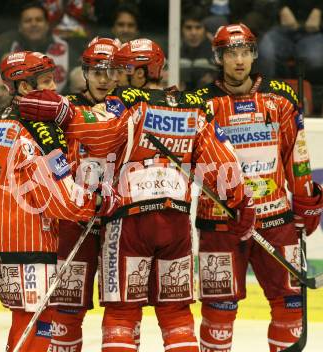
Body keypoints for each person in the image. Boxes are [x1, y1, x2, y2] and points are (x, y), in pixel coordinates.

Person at [18, 38, 256, 352]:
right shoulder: (192, 106)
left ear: (141, 74)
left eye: (122, 70)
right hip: (176, 222)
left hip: (128, 220)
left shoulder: (127, 103)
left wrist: (66, 116)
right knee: (176, 313)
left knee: (122, 312)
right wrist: (241, 201)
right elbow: (223, 163)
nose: (114, 78)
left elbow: (100, 138)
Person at [0, 50, 116, 352]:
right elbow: (59, 197)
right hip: (24, 237)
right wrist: (96, 201)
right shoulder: (38, 128)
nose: (53, 90)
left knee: (33, 316)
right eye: (46, 82)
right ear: (24, 87)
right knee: (34, 318)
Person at [194, 24, 323, 352]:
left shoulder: (280, 97)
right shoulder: (202, 104)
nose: (238, 60)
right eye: (230, 54)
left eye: (244, 52)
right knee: (219, 312)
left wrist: (307, 199)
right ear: (218, 58)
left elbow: (297, 154)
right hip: (222, 222)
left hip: (275, 218)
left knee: (290, 306)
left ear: (253, 55)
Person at [47, 37, 121, 352]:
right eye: (97, 71)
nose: (104, 79)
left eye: (111, 71)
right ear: (85, 72)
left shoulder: (133, 107)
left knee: (121, 309)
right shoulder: (64, 110)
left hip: (120, 224)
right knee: (66, 308)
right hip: (75, 220)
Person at [180, 7, 217, 91]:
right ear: (181, 29)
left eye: (198, 27)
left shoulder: (216, 52)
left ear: (205, 30)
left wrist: (214, 78)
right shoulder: (172, 50)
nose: (193, 32)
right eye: (188, 27)